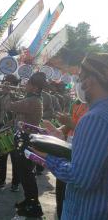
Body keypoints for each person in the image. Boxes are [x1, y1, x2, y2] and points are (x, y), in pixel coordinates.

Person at [34, 53, 108, 220]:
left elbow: (82, 178)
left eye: (81, 78)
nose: (80, 84)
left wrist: (49, 156)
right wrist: (60, 141)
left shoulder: (95, 117)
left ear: (91, 80)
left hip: (87, 213)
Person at [5, 72, 45, 218]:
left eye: (28, 84)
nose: (25, 86)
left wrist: (8, 93)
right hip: (24, 137)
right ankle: (29, 201)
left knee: (27, 174)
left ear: (34, 87)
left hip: (27, 139)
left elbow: (10, 107)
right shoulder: (31, 98)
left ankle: (34, 207)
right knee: (24, 173)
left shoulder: (33, 100)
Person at [0, 75, 19, 192]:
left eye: (9, 83)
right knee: (2, 155)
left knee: (15, 158)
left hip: (14, 129)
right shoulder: (1, 98)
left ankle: (15, 183)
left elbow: (19, 115)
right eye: (5, 83)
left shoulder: (18, 97)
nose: (5, 85)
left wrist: (12, 123)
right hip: (3, 128)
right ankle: (1, 180)